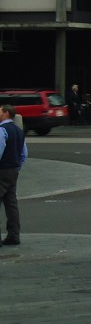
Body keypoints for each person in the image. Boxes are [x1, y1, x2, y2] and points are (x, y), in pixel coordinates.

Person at [0, 103, 27, 245]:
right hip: (13, 170)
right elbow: (24, 153)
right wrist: (17, 166)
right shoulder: (19, 131)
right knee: (11, 203)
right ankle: (14, 235)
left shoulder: (2, 130)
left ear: (6, 113)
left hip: (2, 169)